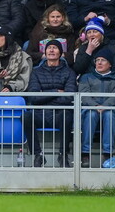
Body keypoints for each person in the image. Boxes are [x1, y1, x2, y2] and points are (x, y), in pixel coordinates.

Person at [24, 39, 77, 167]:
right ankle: (38, 155)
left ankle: (63, 155)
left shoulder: (69, 72)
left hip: (59, 113)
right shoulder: (36, 72)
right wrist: (56, 91)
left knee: (67, 116)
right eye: (49, 48)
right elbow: (34, 97)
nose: (52, 50)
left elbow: (70, 97)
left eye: (55, 48)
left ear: (60, 52)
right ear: (45, 51)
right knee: (26, 117)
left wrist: (45, 93)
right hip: (40, 113)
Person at [78, 47, 115, 168]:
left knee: (109, 115)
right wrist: (95, 106)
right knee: (91, 114)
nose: (99, 63)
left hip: (110, 110)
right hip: (90, 109)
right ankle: (85, 153)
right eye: (97, 60)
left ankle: (108, 154)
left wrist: (105, 106)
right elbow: (83, 95)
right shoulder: (86, 77)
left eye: (103, 60)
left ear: (110, 64)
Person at [0, 26, 32, 92]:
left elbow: (24, 80)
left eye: (0, 35)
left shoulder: (23, 57)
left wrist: (11, 87)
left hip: (16, 95)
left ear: (8, 38)